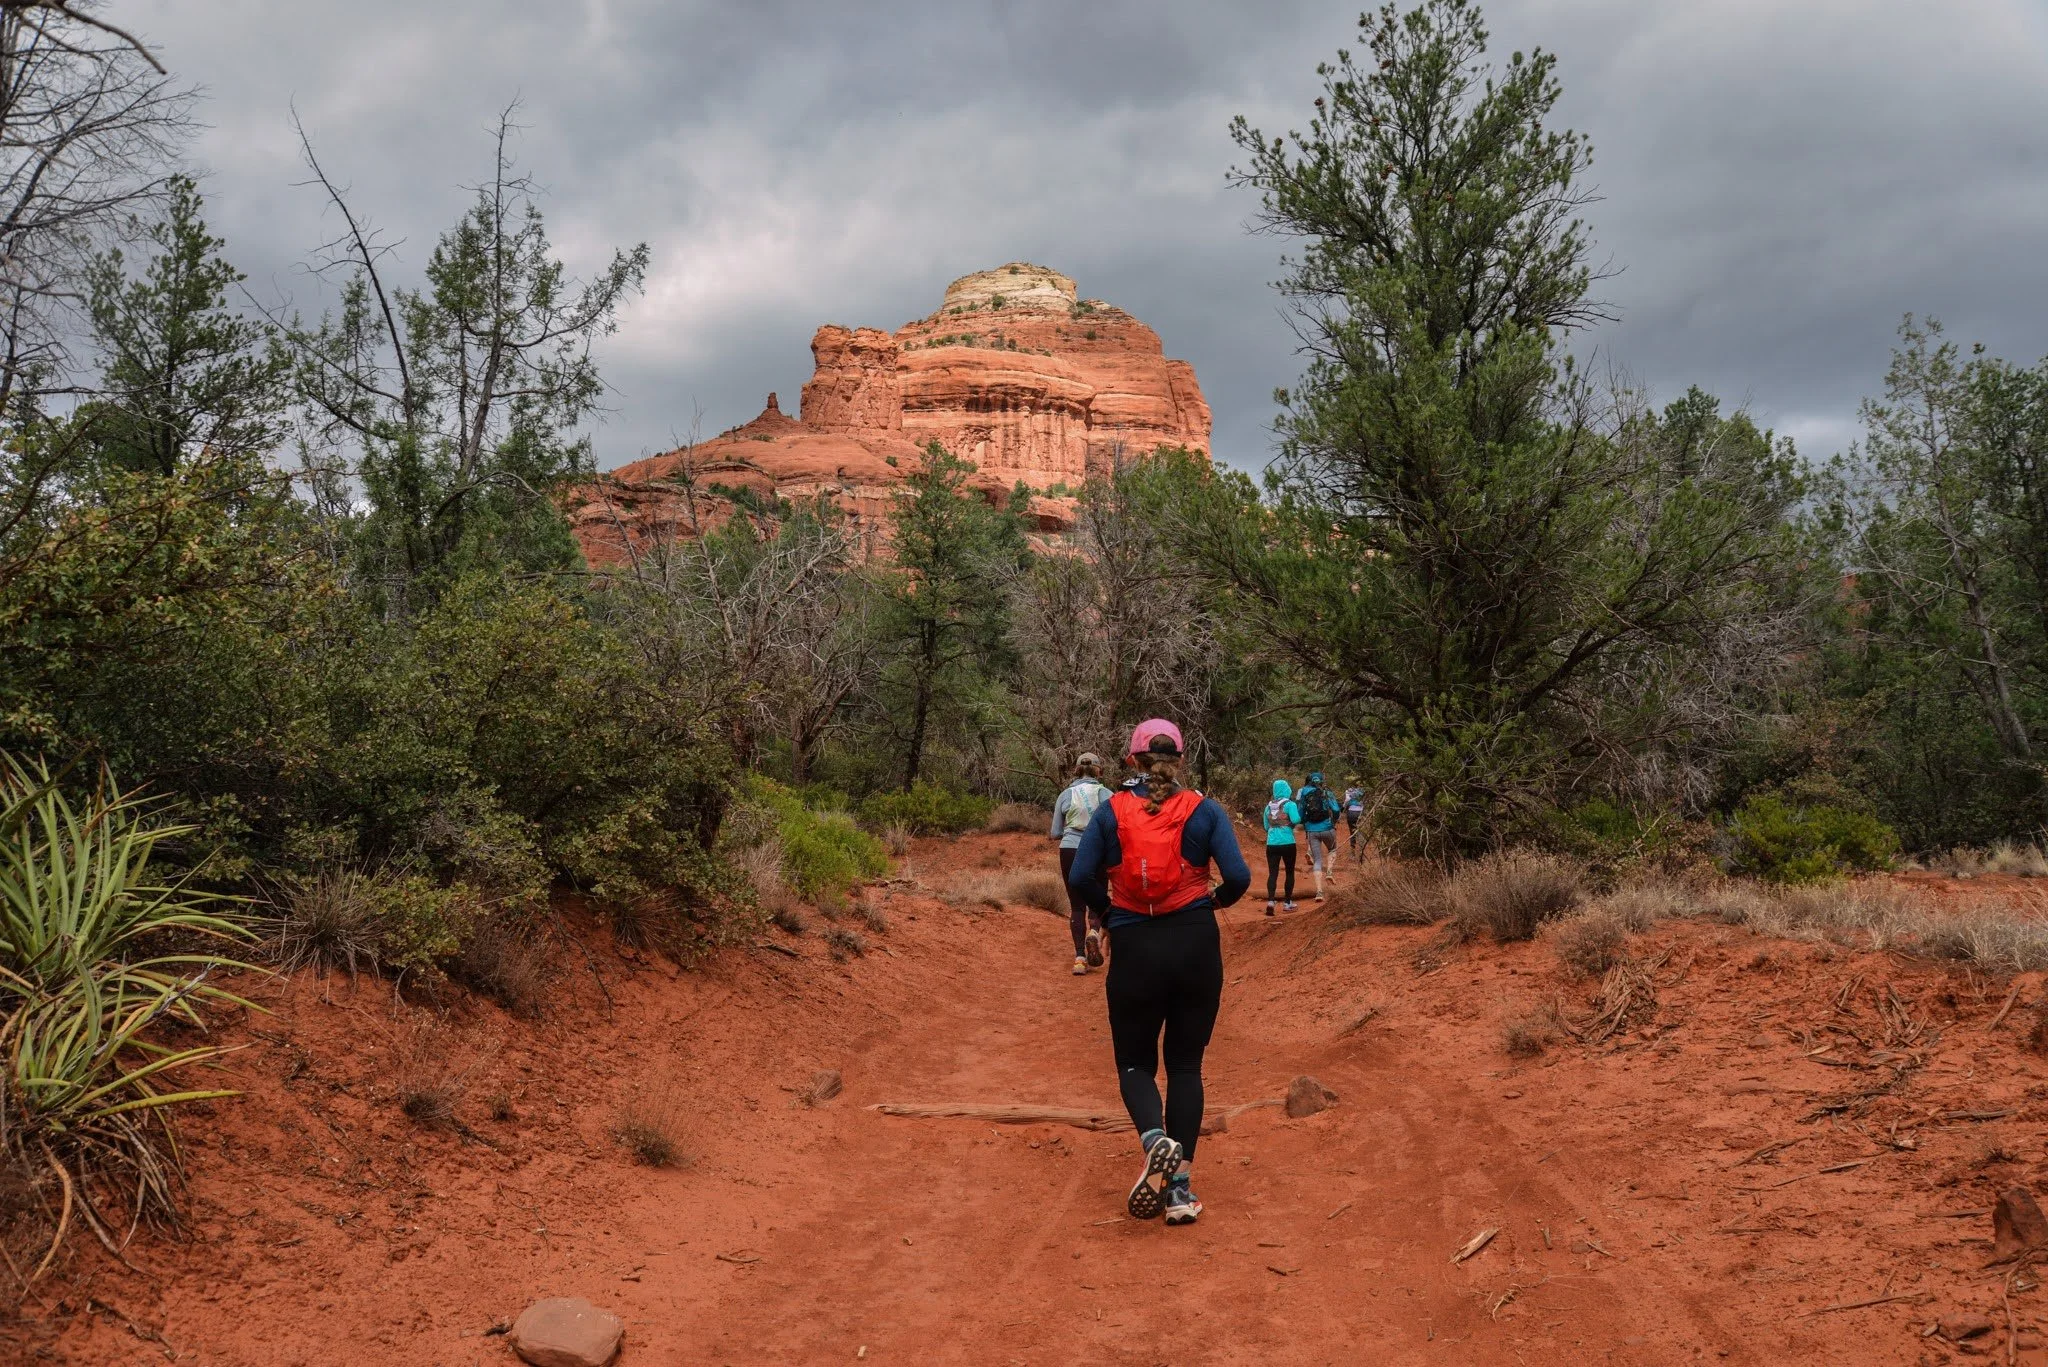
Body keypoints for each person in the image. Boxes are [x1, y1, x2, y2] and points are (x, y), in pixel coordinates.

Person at [1068, 718, 1250, 1226]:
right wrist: (1213, 901)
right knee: (1187, 1066)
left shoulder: (1110, 813)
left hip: (1135, 947)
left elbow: (1081, 875)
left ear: (1132, 762)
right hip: (1195, 943)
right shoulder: (1205, 811)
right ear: (1180, 760)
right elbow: (1238, 876)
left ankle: (1153, 1140)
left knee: (1134, 1064)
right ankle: (1179, 1193)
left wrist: (1107, 914)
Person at [1050, 753, 1111, 975]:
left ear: (1076, 770)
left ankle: (1079, 959)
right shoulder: (1107, 795)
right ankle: (1094, 932)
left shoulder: (1066, 795)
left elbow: (1055, 832)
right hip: (1099, 850)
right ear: (1099, 771)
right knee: (1098, 897)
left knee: (1076, 905)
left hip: (1070, 850)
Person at [1297, 770, 1339, 899]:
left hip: (1312, 830)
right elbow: (1336, 809)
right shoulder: (1327, 792)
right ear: (1321, 781)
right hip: (1327, 828)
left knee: (1317, 860)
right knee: (1332, 849)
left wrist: (1305, 822)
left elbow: (1300, 813)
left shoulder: (1304, 793)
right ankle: (1330, 872)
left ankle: (1319, 892)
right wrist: (1333, 821)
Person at [1261, 779, 1301, 916]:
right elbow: (1296, 820)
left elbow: (1266, 827)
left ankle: (1271, 902)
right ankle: (1287, 903)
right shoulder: (1290, 804)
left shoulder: (1268, 806)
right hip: (1288, 842)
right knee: (1289, 872)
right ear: (1287, 789)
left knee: (1273, 873)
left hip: (1271, 843)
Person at [1341, 777, 1367, 856]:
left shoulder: (1349, 790)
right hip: (1361, 812)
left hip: (1351, 812)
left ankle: (1352, 853)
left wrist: (1343, 807)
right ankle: (1361, 852)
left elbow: (1347, 800)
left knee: (1352, 832)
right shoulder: (1364, 791)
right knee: (1361, 832)